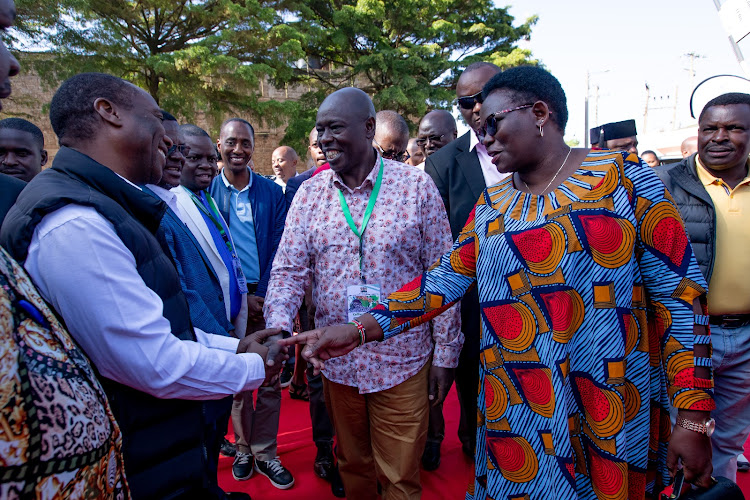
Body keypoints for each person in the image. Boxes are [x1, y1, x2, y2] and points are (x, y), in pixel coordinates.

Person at [284, 66, 716, 500]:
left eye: (492, 123)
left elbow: (683, 303)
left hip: (607, 401)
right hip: (516, 410)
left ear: (540, 113)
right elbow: (440, 282)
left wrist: (693, 417)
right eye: (476, 125)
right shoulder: (494, 204)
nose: (482, 136)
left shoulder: (627, 181)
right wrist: (359, 330)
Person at [0, 72, 285, 499]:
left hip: (160, 445)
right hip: (139, 456)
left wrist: (234, 347)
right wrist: (255, 367)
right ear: (108, 112)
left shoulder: (108, 203)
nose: (168, 141)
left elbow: (158, 324)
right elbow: (151, 360)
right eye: (155, 119)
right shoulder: (76, 221)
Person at [264, 87, 462, 500]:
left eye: (335, 127)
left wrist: (445, 355)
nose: (323, 139)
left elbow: (443, 275)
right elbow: (287, 271)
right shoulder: (309, 194)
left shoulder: (416, 189)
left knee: (400, 478)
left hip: (402, 361)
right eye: (320, 130)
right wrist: (277, 330)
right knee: (352, 465)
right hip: (338, 364)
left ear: (369, 127)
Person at [0, 4, 128, 497]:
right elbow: (131, 349)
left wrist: (369, 325)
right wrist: (247, 361)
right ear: (108, 115)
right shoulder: (68, 215)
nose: (14, 63)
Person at [143, 116, 249, 498]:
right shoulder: (164, 206)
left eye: (210, 160)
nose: (205, 166)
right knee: (200, 436)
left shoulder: (199, 200)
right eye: (190, 156)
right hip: (204, 342)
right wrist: (230, 346)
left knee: (213, 430)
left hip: (223, 333)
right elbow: (186, 292)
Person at [656, 92, 750, 482]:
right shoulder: (663, 184)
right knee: (680, 435)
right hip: (685, 337)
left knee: (728, 439)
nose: (719, 137)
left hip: (745, 338)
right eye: (709, 128)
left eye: (734, 128)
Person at [423, 60, 502, 464]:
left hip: (541, 299)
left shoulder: (547, 159)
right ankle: (475, 450)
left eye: (481, 97)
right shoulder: (443, 163)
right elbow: (437, 246)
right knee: (472, 382)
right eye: (464, 102)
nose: (474, 108)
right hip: (470, 296)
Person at [209, 118, 293, 489]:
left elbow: (281, 246)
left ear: (254, 146)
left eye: (245, 143)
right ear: (219, 144)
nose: (238, 149)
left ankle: (266, 451)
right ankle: (243, 448)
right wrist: (244, 297)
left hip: (270, 296)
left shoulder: (271, 193)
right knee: (240, 379)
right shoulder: (207, 192)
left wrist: (267, 294)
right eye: (231, 142)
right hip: (231, 303)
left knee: (271, 376)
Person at [285, 127, 327, 205]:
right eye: (315, 145)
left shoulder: (348, 180)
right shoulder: (297, 184)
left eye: (325, 144)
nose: (321, 150)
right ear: (310, 150)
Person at [0, 117, 47, 182]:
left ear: (43, 158)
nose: (9, 162)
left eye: (22, 154)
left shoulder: (61, 191)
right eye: (0, 154)